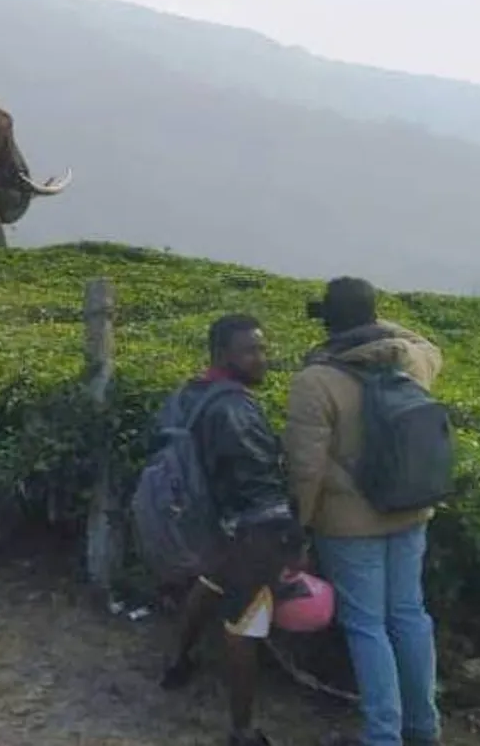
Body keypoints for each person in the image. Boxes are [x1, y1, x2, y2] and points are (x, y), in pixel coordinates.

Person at [285, 277, 443, 746]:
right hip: (410, 510)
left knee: (366, 625)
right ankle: (423, 727)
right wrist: (377, 325)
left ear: (328, 322)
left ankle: (382, 736)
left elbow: (304, 468)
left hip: (349, 524)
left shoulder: (315, 381)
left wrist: (300, 526)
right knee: (410, 616)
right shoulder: (412, 361)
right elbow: (423, 341)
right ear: (374, 317)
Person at [156, 314, 303, 746]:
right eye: (250, 350)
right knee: (246, 622)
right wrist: (291, 537)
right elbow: (259, 485)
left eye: (263, 348)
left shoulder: (194, 392)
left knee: (210, 584)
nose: (262, 359)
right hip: (249, 530)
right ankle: (242, 730)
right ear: (223, 355)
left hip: (208, 522)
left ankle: (178, 662)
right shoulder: (235, 408)